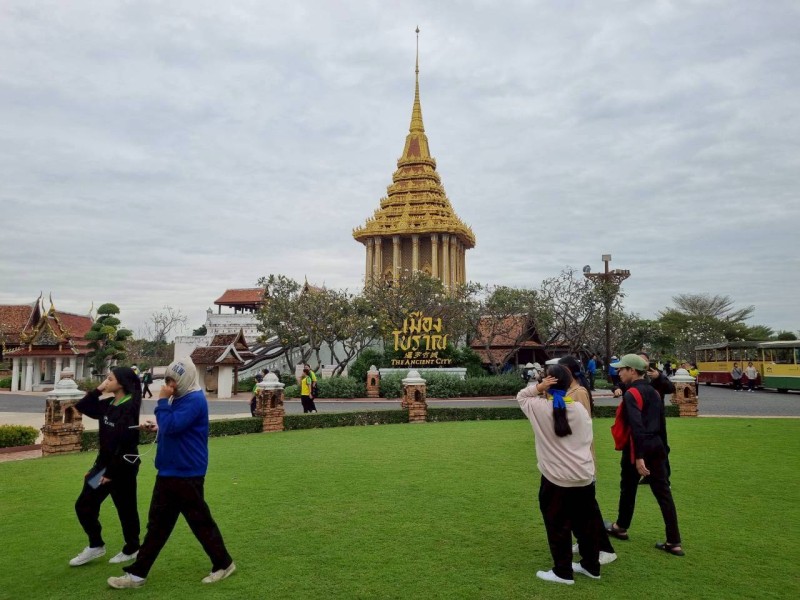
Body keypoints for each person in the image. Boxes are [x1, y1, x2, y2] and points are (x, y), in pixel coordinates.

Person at [107, 359, 235, 589]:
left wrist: (162, 401)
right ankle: (137, 574)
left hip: (187, 472)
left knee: (200, 522)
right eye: (167, 380)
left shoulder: (194, 400)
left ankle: (224, 564)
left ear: (185, 380)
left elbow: (173, 426)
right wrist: (157, 427)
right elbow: (172, 427)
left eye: (173, 381)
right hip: (169, 471)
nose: (169, 385)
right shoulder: (179, 397)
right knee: (157, 526)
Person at [517, 365, 604, 585]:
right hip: (583, 476)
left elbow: (521, 396)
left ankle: (563, 572)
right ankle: (591, 566)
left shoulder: (539, 407)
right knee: (586, 525)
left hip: (556, 479)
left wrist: (539, 387)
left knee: (557, 524)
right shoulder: (579, 409)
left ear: (548, 382)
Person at [606, 355, 684, 557]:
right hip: (657, 446)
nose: (618, 372)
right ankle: (674, 541)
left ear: (632, 371)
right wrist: (664, 451)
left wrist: (639, 457)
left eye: (622, 369)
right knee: (663, 493)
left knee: (628, 487)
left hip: (637, 447)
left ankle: (621, 527)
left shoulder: (631, 393)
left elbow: (636, 426)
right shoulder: (654, 392)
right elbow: (661, 424)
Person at [70, 367, 142, 567]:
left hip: (123, 468)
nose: (106, 382)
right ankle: (96, 545)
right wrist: (99, 389)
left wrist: (109, 474)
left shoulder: (129, 407)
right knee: (84, 505)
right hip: (103, 468)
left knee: (126, 508)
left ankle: (132, 548)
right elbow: (82, 406)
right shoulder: (109, 404)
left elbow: (125, 444)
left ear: (122, 383)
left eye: (110, 379)